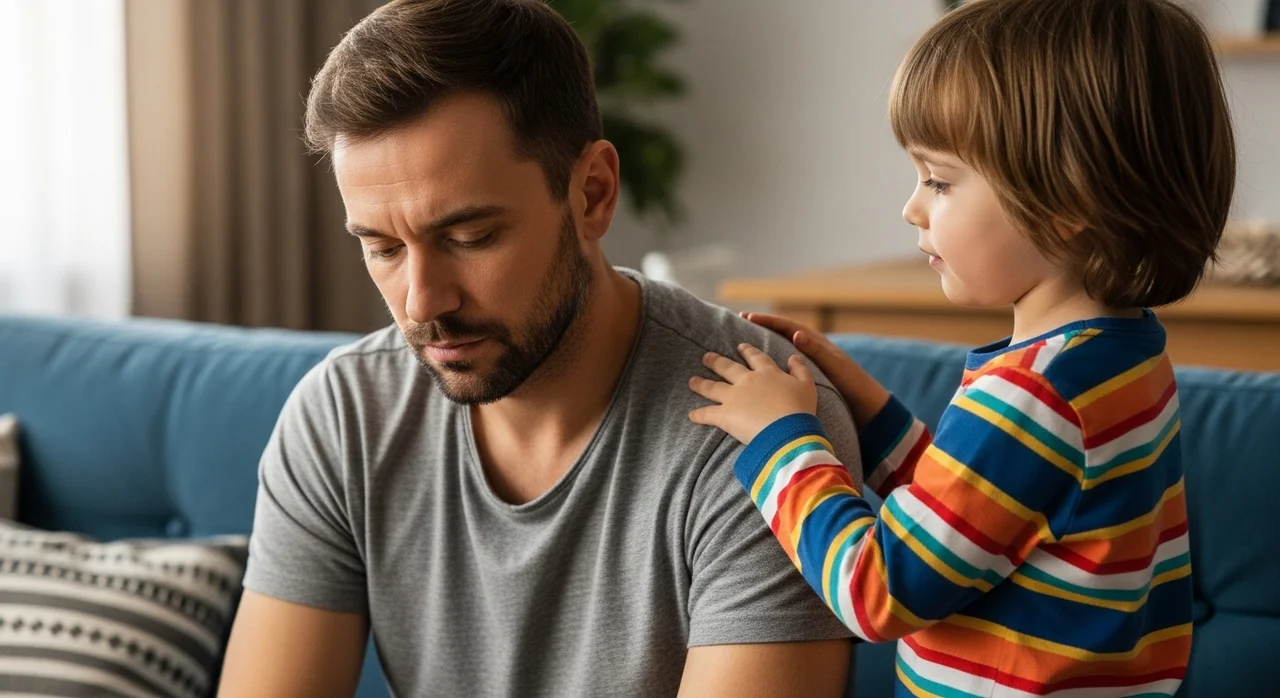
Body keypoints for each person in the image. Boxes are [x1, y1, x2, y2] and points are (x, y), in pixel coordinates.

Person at [217, 0, 861, 696]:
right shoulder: (345, 417)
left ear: (592, 194)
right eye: (382, 247)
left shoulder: (767, 437)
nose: (420, 302)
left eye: (470, 238)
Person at [687, 0, 1234, 695]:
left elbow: (876, 589)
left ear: (1066, 201)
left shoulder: (1035, 393)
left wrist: (779, 437)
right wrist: (869, 408)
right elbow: (983, 523)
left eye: (939, 180)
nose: (912, 207)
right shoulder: (1119, 358)